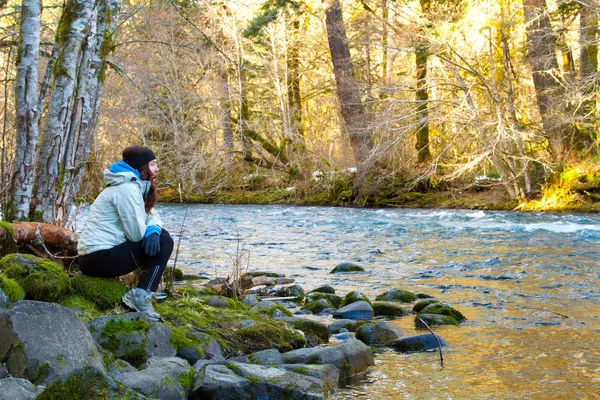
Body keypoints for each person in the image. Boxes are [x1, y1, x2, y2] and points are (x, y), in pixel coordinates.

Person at [77, 145, 174, 320]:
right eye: (152, 164)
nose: (157, 168)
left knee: (160, 235)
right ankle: (141, 295)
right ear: (141, 167)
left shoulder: (131, 185)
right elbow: (135, 235)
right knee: (164, 240)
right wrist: (153, 233)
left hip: (96, 256)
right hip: (98, 258)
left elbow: (150, 214)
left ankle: (143, 292)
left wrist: (153, 230)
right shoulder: (126, 189)